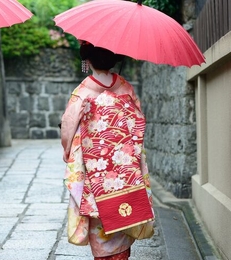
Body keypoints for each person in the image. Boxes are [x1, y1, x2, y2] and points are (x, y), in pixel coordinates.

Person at [60, 41, 154, 260]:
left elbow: (68, 128)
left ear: (88, 60)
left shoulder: (83, 90)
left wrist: (68, 148)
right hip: (125, 172)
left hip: (97, 174)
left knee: (99, 217)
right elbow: (138, 123)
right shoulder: (125, 87)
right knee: (124, 213)